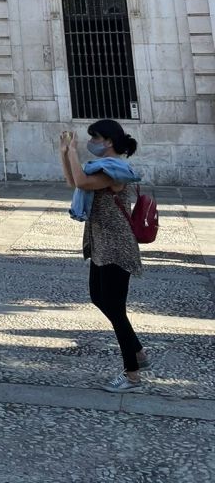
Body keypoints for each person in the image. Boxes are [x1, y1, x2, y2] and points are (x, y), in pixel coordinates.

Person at [60, 120, 147, 392]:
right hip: (102, 244)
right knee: (98, 297)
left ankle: (132, 374)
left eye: (94, 137)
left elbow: (83, 182)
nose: (91, 142)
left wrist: (73, 152)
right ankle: (138, 353)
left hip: (117, 246)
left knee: (115, 308)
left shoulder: (116, 170)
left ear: (108, 141)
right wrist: (65, 153)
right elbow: (74, 181)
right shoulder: (102, 168)